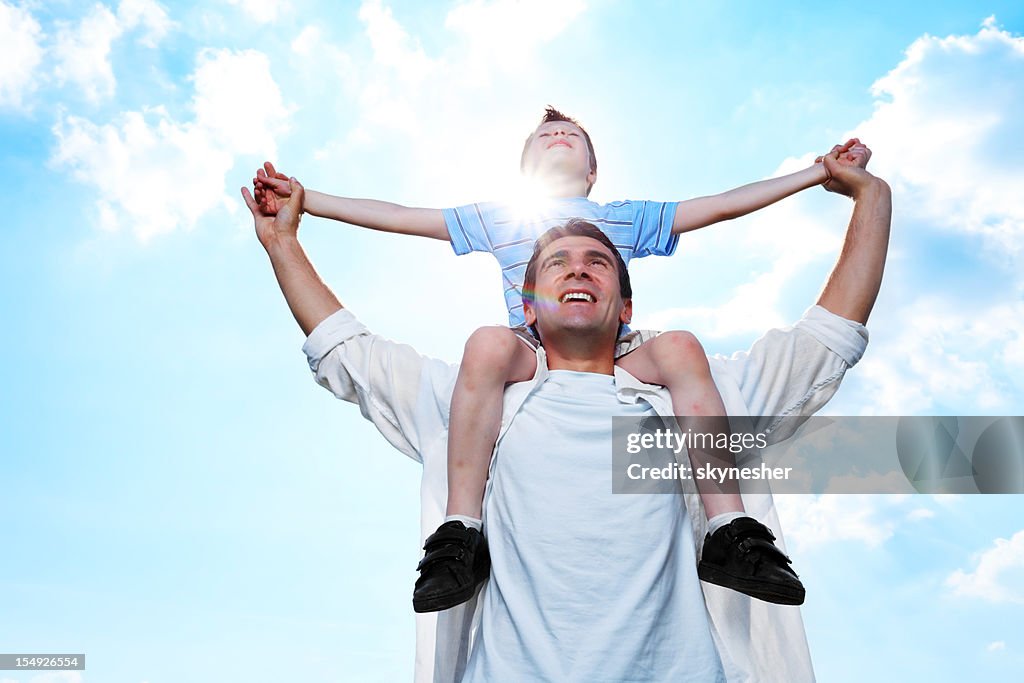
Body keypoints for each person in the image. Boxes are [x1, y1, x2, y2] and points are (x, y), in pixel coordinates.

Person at [242, 147, 892, 682]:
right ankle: (456, 536)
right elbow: (347, 351)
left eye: (598, 261)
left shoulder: (692, 403)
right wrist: (283, 242)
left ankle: (732, 536)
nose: (578, 267)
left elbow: (827, 338)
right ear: (528, 305)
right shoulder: (479, 400)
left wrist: (871, 196)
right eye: (555, 261)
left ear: (625, 304)